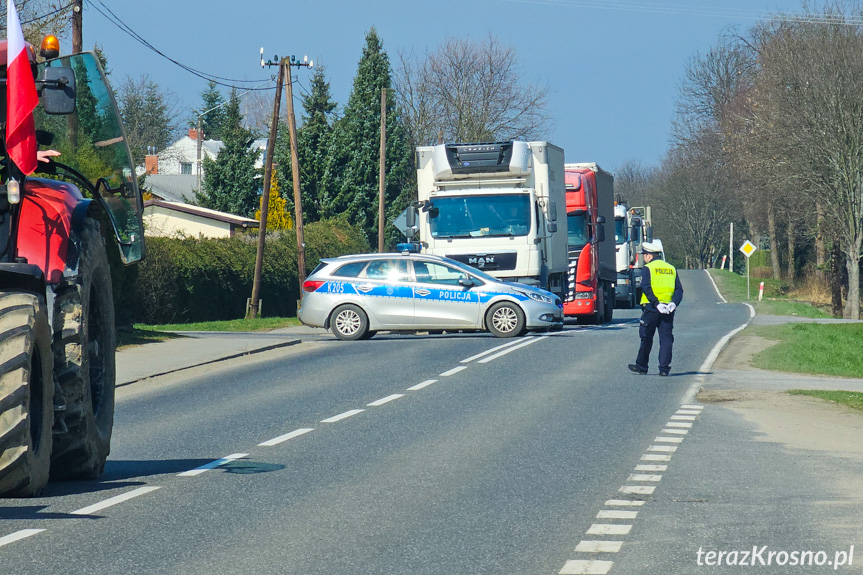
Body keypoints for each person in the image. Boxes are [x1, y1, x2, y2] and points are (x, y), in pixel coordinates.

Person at [628, 241, 683, 376]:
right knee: (666, 339)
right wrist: (673, 303)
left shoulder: (648, 268)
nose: (644, 258)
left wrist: (656, 303)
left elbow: (646, 287)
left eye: (644, 255)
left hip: (652, 309)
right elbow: (679, 289)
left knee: (646, 338)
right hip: (668, 310)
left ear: (649, 256)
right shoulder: (671, 268)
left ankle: (642, 366)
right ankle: (664, 369)